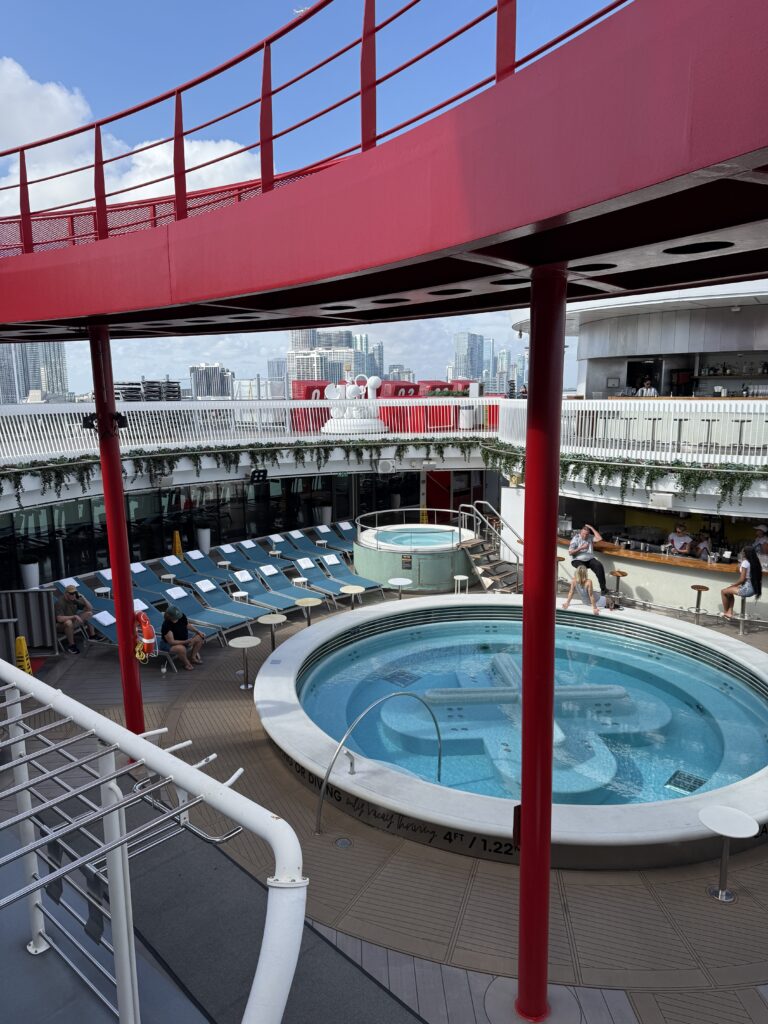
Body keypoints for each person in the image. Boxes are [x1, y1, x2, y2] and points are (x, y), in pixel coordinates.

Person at [721, 547, 763, 619]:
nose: (741, 553)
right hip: (753, 589)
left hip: (747, 589)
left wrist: (734, 584)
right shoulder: (755, 562)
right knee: (729, 592)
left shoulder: (745, 563)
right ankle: (730, 612)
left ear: (745, 554)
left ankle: (726, 612)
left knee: (723, 591)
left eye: (742, 552)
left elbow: (742, 579)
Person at [54, 583, 95, 654]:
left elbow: (90, 608)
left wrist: (84, 598)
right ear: (66, 593)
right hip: (60, 626)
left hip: (73, 622)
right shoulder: (59, 603)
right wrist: (74, 616)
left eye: (75, 593)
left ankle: (93, 636)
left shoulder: (73, 600)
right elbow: (59, 619)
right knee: (68, 622)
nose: (73, 595)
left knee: (89, 613)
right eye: (71, 593)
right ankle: (71, 646)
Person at [161, 605, 204, 671]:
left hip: (184, 638)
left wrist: (198, 631)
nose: (178, 618)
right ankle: (187, 663)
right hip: (169, 644)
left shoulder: (181, 616)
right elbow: (171, 642)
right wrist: (185, 642)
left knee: (200, 637)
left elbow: (187, 625)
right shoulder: (166, 625)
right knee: (181, 648)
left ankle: (193, 657)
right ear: (170, 617)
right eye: (176, 617)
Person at [568, 523, 608, 593]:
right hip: (577, 560)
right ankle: (582, 589)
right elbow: (570, 552)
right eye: (583, 534)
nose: (585, 536)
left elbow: (599, 538)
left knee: (599, 565)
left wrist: (591, 527)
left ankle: (603, 589)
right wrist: (580, 548)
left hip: (589, 559)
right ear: (580, 532)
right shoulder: (575, 539)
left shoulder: (590, 537)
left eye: (587, 534)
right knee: (582, 568)